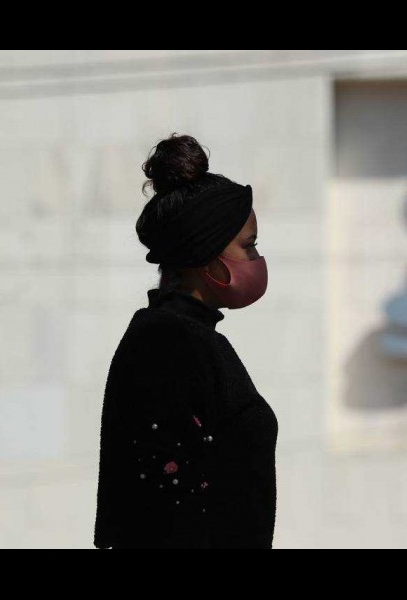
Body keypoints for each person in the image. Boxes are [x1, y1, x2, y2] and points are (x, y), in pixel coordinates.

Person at [92, 133, 278, 549]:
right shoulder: (168, 345)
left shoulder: (184, 339)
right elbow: (171, 509)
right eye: (248, 246)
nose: (256, 259)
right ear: (207, 257)